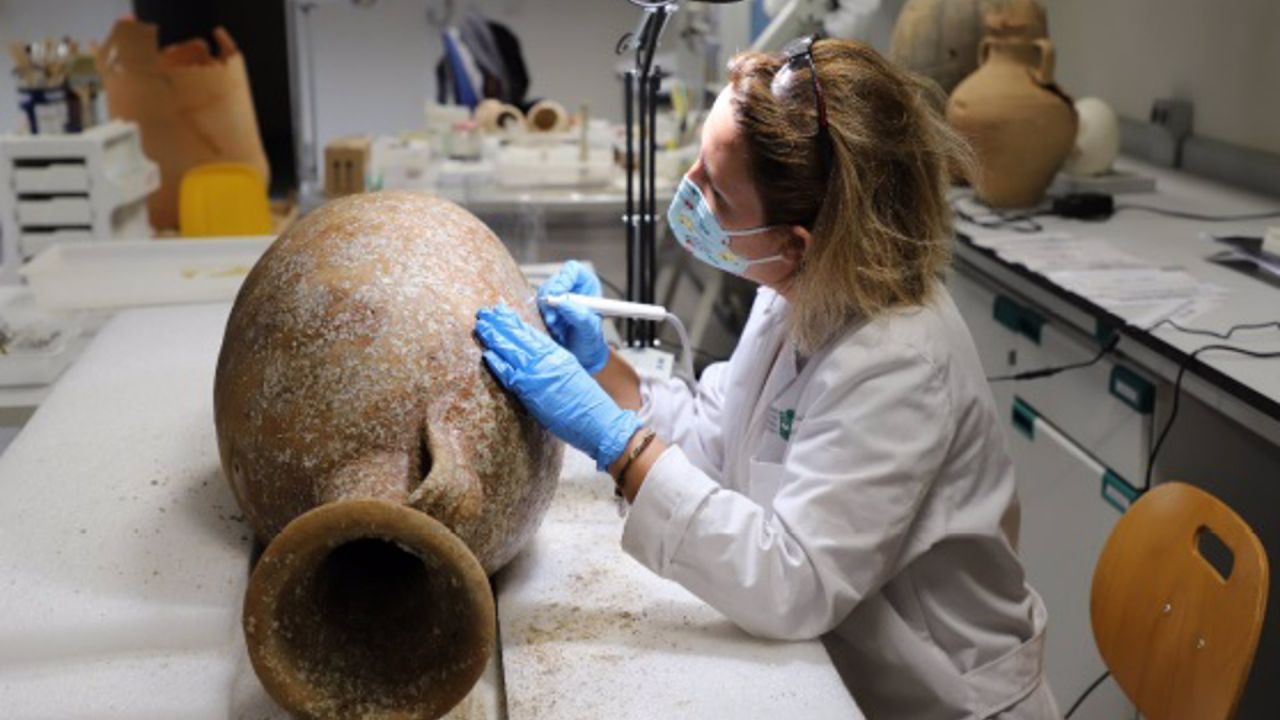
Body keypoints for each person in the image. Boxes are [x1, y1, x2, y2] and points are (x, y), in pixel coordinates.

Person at [474, 36, 1059, 719]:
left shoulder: (901, 362)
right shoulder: (798, 287)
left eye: (716, 192)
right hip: (836, 668)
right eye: (700, 163)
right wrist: (602, 370)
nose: (690, 191)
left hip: (935, 697)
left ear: (795, 241)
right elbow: (720, 436)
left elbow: (793, 583)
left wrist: (618, 444)